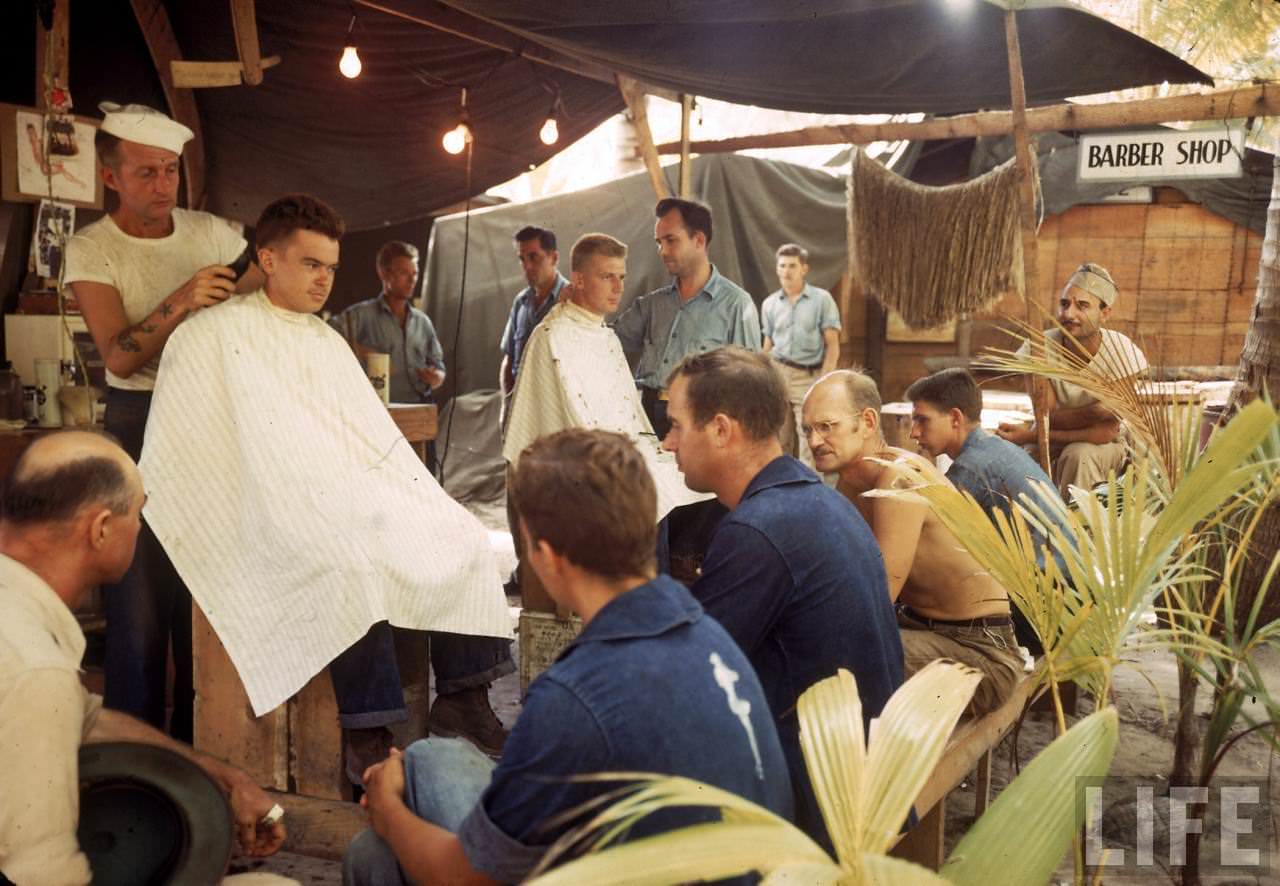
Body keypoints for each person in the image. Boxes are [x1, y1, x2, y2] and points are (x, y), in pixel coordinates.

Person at [138, 195, 515, 785]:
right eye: (311, 263)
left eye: (331, 267)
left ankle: (463, 697)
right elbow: (186, 453)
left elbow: (365, 440)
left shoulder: (325, 339)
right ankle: (367, 732)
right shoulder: (210, 334)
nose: (324, 279)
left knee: (462, 535)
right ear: (268, 257)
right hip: (267, 509)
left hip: (338, 499)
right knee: (351, 567)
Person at [344, 429, 792, 885]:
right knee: (430, 759)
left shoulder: (576, 694)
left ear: (545, 556)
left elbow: (464, 879)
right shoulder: (707, 634)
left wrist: (387, 809)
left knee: (374, 852)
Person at [0, 431, 287, 884]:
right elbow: (41, 874)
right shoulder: (37, 669)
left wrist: (226, 777)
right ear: (101, 529)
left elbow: (86, 720)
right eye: (139, 512)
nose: (140, 527)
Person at [64, 101, 265, 741]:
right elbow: (120, 354)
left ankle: (200, 753)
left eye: (171, 172)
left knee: (203, 602)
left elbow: (272, 286)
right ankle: (137, 761)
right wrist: (184, 299)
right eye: (146, 173)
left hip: (212, 417)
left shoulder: (210, 233)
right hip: (139, 423)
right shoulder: (92, 248)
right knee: (141, 606)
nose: (162, 187)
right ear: (111, 177)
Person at [661, 347, 902, 850]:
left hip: (824, 815)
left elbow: (686, 679)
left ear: (722, 429)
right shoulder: (820, 501)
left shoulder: (759, 528)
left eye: (677, 425)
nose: (667, 443)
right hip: (870, 785)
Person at [502, 233, 711, 612]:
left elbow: (627, 415)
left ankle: (679, 589)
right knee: (651, 490)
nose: (618, 288)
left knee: (706, 481)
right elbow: (563, 424)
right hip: (577, 465)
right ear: (578, 279)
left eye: (622, 277)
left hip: (624, 449)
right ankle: (648, 610)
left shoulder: (605, 337)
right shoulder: (552, 339)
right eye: (607, 277)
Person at [803, 370, 1024, 717]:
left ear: (867, 421)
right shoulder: (849, 487)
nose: (815, 441)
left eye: (827, 426)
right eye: (808, 430)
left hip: (982, 656)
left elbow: (876, 600)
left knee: (832, 660)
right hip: (923, 634)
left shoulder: (901, 478)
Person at [906, 367, 1074, 655]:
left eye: (922, 420)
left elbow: (929, 543)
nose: (913, 432)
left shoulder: (973, 468)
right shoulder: (993, 450)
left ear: (955, 418)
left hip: (1047, 607)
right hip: (1062, 594)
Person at [613, 198, 761, 438]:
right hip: (645, 419)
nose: (662, 251)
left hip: (700, 423)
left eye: (671, 240)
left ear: (699, 240)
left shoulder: (735, 304)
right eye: (659, 242)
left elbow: (749, 385)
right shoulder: (651, 305)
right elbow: (607, 342)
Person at [996, 262, 1148, 497]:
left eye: (1082, 306)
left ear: (1105, 313)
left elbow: (1106, 432)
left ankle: (1077, 530)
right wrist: (1092, 413)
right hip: (1046, 439)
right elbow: (1046, 417)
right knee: (1014, 464)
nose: (1068, 314)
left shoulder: (1122, 351)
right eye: (1064, 304)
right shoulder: (1039, 348)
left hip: (1106, 447)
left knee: (1078, 456)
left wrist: (1031, 433)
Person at [329, 241, 445, 471]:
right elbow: (325, 337)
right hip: (375, 419)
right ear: (383, 273)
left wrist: (436, 377)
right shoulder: (359, 316)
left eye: (414, 273)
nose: (412, 280)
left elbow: (439, 366)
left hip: (417, 418)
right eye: (404, 273)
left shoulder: (423, 323)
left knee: (422, 481)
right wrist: (363, 351)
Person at [761, 243, 841, 466]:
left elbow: (832, 345)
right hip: (777, 373)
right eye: (782, 266)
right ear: (777, 269)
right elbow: (768, 343)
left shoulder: (821, 300)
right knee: (777, 440)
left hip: (807, 377)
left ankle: (810, 494)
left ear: (804, 269)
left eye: (792, 266)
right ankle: (781, 492)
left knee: (809, 442)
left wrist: (823, 381)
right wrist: (762, 373)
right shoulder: (769, 304)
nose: (787, 271)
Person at [499, 226, 568, 424]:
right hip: (521, 411)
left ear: (553, 258)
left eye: (534, 257)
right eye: (522, 259)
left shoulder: (572, 301)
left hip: (555, 411)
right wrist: (507, 404)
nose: (527, 266)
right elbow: (509, 358)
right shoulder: (521, 302)